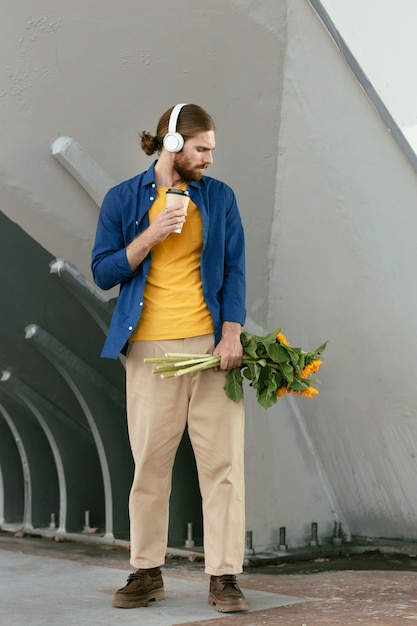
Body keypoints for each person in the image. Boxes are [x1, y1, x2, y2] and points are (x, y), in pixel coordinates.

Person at [91, 103, 247, 613]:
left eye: (211, 150)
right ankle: (146, 572)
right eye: (201, 149)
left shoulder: (220, 198)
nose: (209, 158)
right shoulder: (122, 199)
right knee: (150, 466)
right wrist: (153, 234)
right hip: (150, 351)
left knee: (222, 466)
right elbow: (103, 272)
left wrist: (230, 334)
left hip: (210, 349)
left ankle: (224, 577)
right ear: (173, 145)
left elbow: (235, 271)